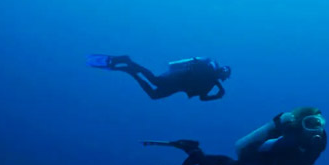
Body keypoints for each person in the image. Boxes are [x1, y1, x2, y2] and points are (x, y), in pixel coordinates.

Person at [142, 106, 327, 165]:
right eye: (310, 123)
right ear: (300, 124)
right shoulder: (293, 136)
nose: (317, 128)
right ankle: (194, 151)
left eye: (319, 123)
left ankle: (198, 153)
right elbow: (266, 147)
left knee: (230, 164)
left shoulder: (317, 139)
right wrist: (282, 143)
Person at [87, 54, 231, 101]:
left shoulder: (211, 84)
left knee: (154, 95)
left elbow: (202, 98)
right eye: (222, 73)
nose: (220, 75)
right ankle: (128, 61)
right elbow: (198, 66)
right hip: (176, 78)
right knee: (155, 80)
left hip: (178, 87)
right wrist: (218, 89)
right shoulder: (208, 67)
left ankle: (131, 71)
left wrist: (217, 96)